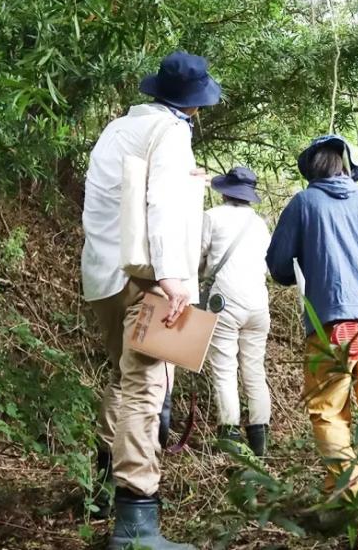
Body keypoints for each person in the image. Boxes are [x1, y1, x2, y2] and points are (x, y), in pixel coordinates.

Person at [81, 51, 221, 550]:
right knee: (145, 387)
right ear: (193, 104)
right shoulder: (172, 131)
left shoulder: (119, 129)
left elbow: (119, 197)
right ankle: (135, 526)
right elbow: (159, 201)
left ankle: (103, 488)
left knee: (123, 380)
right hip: (147, 280)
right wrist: (173, 277)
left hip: (103, 275)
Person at [266, 134, 358, 520]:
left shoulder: (304, 202)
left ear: (311, 170)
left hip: (331, 323)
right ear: (345, 167)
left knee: (329, 411)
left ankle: (346, 500)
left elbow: (278, 265)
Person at [200, 166, 273, 456]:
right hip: (258, 305)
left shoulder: (212, 217)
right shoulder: (260, 224)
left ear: (225, 190)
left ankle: (229, 435)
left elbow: (197, 255)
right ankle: (260, 440)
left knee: (225, 368)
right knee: (254, 370)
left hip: (225, 303)